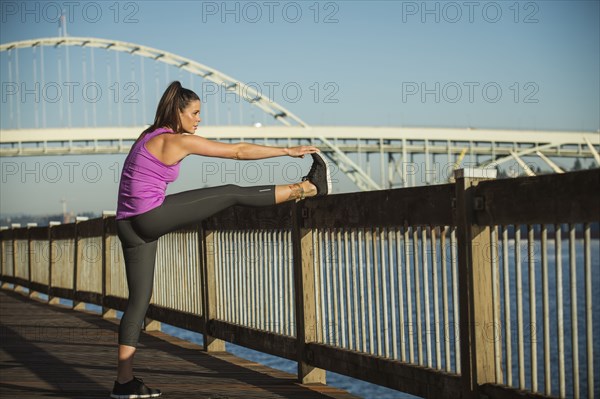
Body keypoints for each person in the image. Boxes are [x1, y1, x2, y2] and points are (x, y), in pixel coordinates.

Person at [110, 81, 331, 398]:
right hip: (147, 218)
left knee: (137, 303)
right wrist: (287, 150)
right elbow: (238, 152)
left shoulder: (148, 136)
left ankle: (124, 382)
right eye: (195, 113)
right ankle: (308, 188)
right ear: (178, 112)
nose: (199, 120)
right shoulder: (175, 141)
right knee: (230, 192)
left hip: (126, 224)